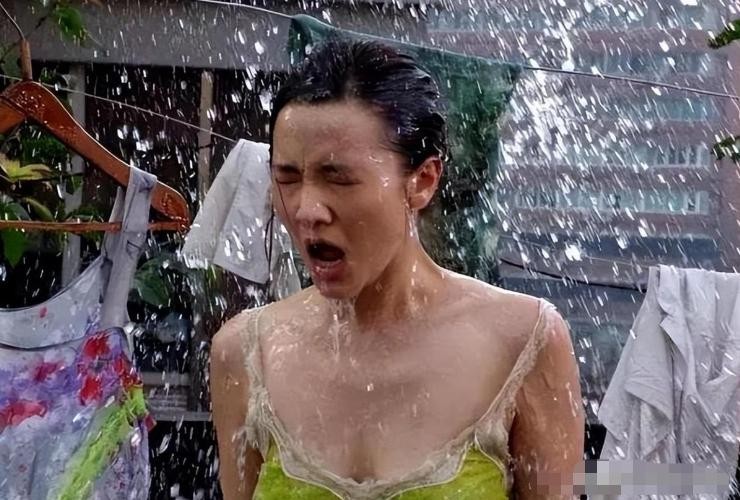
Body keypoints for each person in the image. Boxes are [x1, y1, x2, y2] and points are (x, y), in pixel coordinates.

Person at [211, 37, 584, 500]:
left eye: (339, 178)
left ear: (422, 181)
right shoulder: (244, 353)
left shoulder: (524, 341)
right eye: (287, 178)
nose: (306, 210)